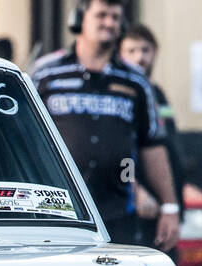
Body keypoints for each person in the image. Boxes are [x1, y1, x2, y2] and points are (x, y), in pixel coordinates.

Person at [31, 0, 180, 250]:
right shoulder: (46, 73)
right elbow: (23, 137)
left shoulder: (135, 80)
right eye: (102, 15)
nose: (109, 23)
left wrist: (170, 206)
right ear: (80, 19)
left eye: (115, 17)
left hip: (118, 210)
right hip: (56, 210)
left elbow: (152, 144)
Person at [120, 24, 184, 231]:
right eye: (132, 51)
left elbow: (166, 142)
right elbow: (121, 150)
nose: (140, 57)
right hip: (138, 204)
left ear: (155, 52)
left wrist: (172, 203)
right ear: (120, 54)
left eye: (145, 50)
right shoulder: (122, 94)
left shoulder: (158, 94)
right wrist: (134, 188)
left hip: (165, 199)